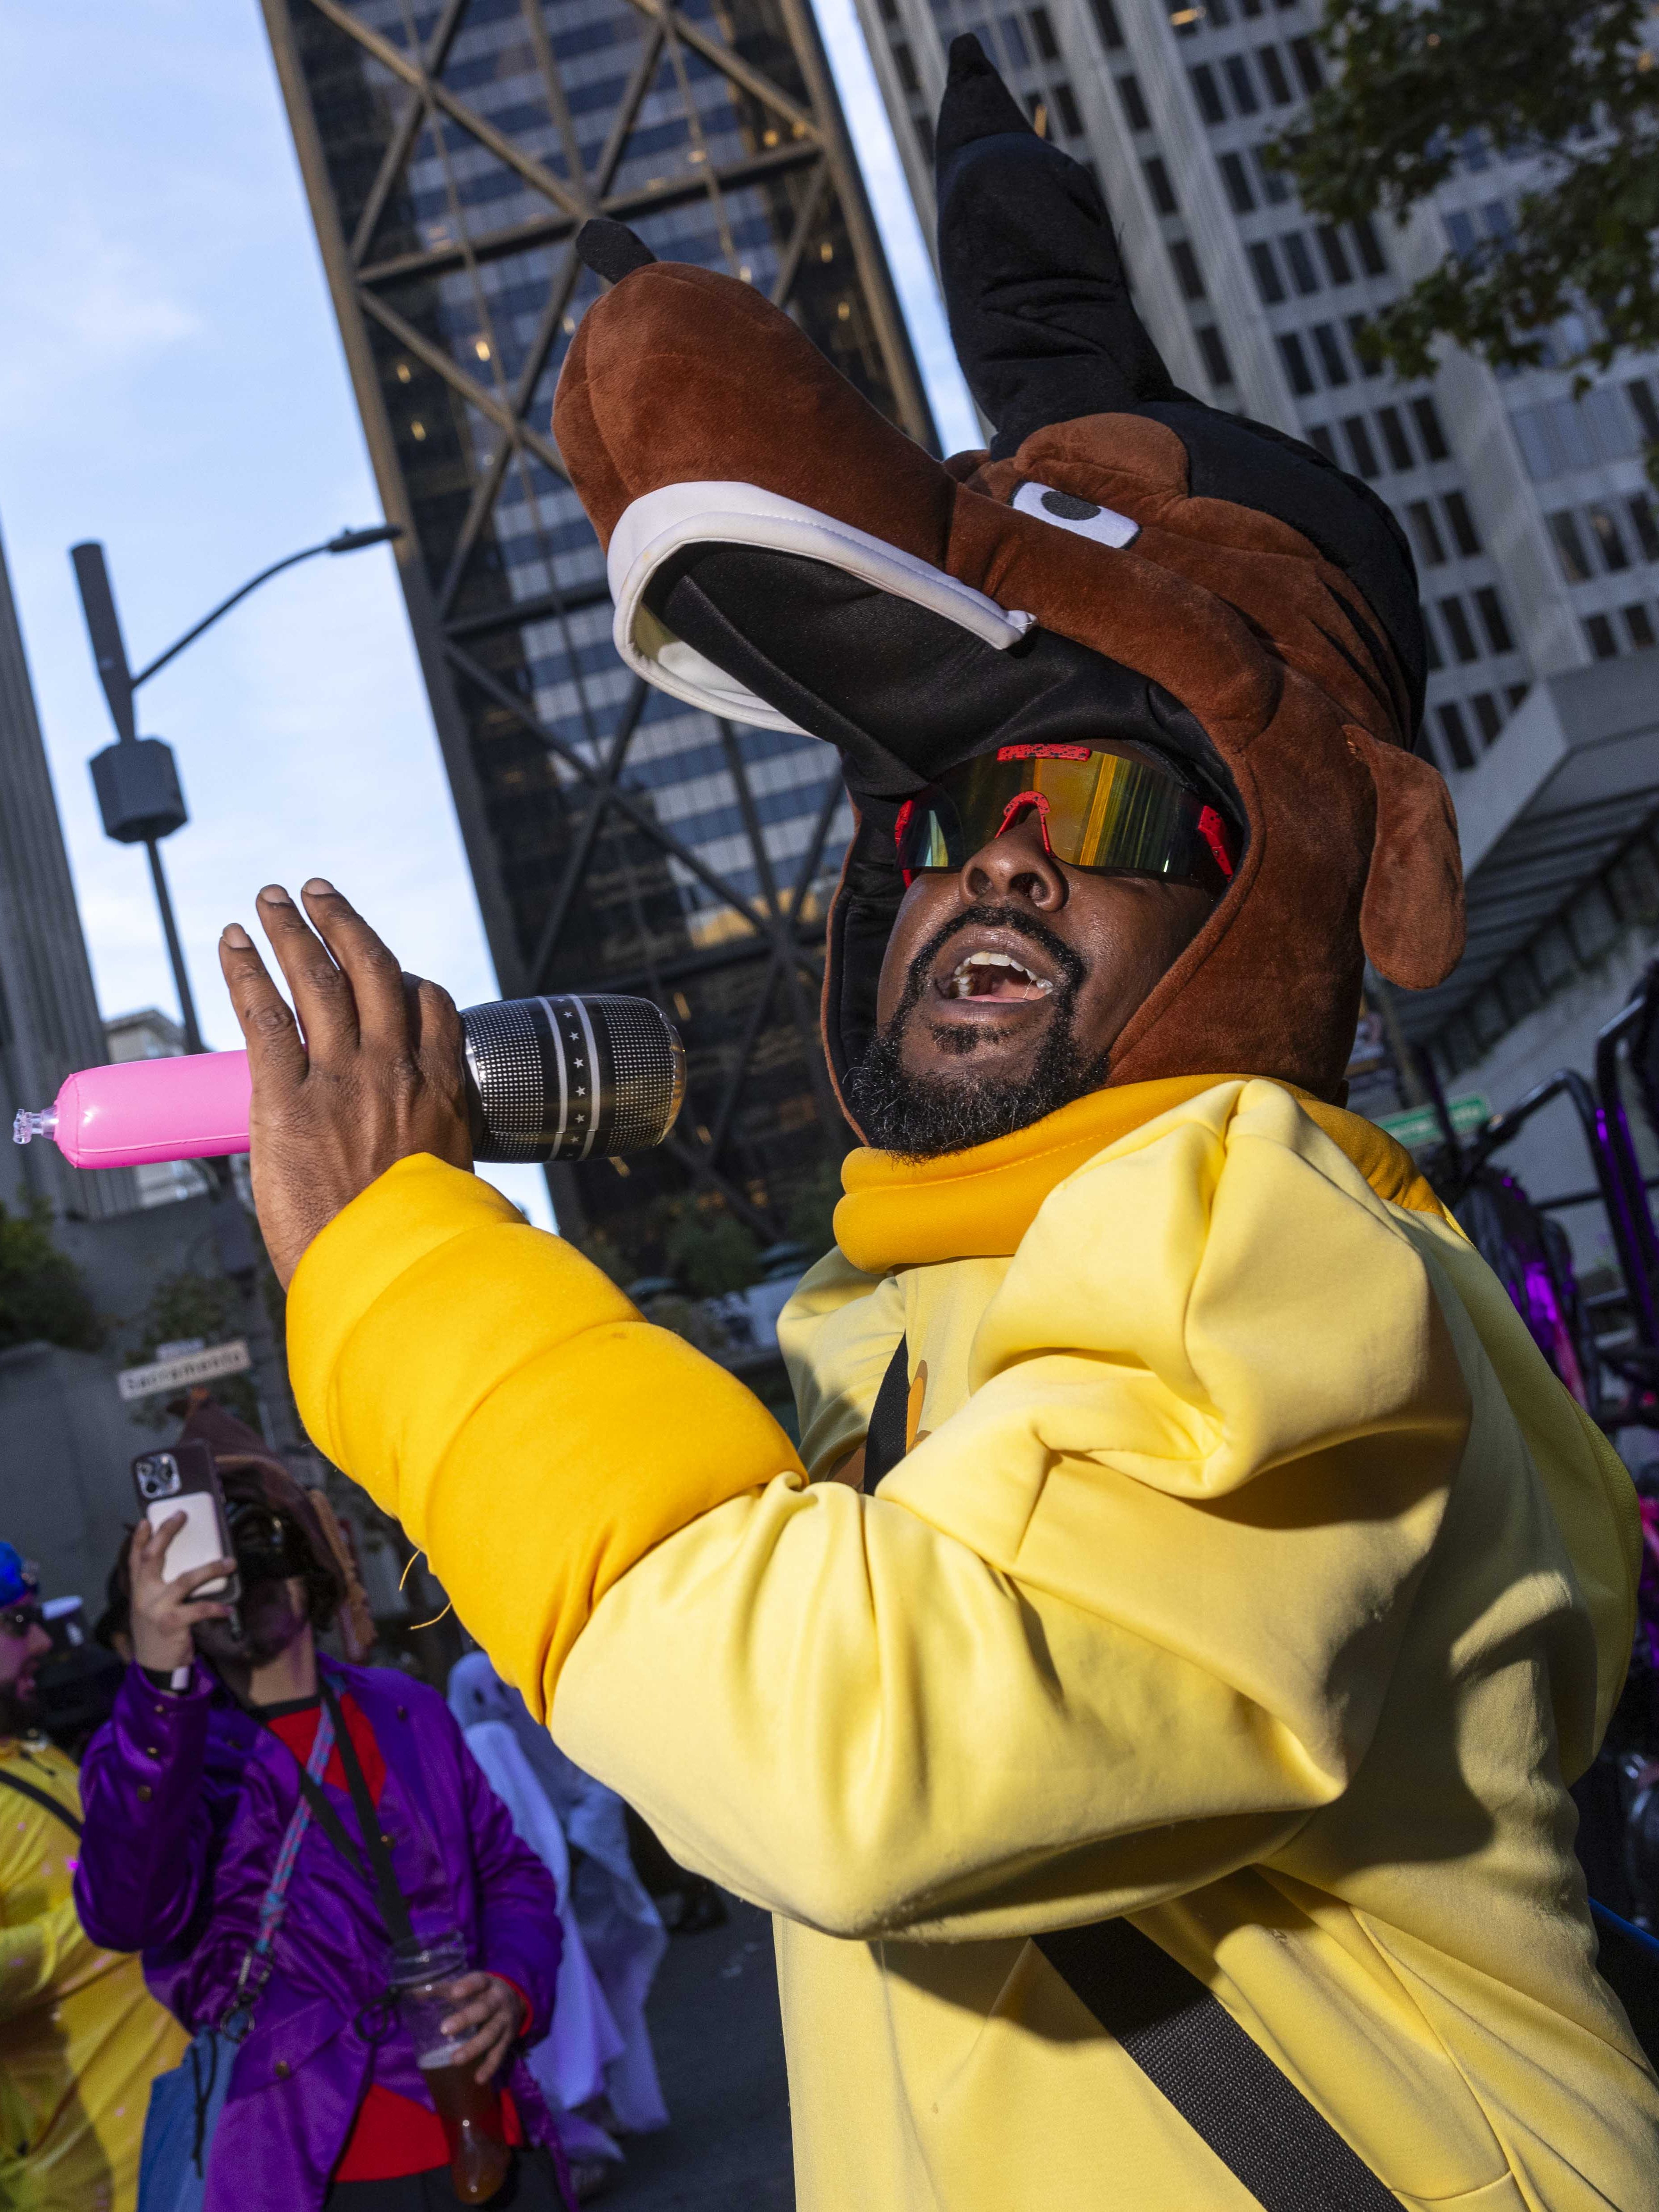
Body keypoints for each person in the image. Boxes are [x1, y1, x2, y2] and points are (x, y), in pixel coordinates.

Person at [212, 40, 1659, 2211]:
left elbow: (870, 1736)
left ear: (1292, 865)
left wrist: (398, 1267)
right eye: (935, 811)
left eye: (1077, 795)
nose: (984, 862)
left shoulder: (1280, 1250)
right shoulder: (919, 1347)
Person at [73, 1413, 573, 2210]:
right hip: (310, 2169)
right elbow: (124, 1911)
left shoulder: (403, 1708)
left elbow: (508, 1872)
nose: (244, 1574)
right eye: (214, 1550)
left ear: (312, 1561)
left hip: (488, 2132)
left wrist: (513, 1983)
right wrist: (161, 1688)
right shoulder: (165, 1747)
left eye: (263, 1539)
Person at [0, 1541, 188, 2212]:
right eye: (18, 1625)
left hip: (188, 2162)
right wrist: (108, 1909)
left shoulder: (37, 1754)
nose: (45, 1641)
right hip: (85, 2189)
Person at [448, 1655, 667, 2153]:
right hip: (533, 1860)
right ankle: (583, 2106)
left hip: (577, 1859)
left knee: (602, 1988)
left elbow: (597, 1777)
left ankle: (608, 2098)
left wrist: (574, 1844)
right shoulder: (474, 1702)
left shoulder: (557, 1677)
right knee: (570, 1995)